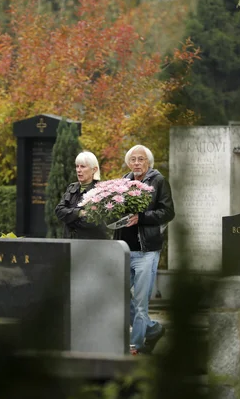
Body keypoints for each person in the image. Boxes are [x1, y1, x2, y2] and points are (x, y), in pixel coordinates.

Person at [113, 145, 175, 355]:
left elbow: (168, 212)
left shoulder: (158, 181)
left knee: (140, 304)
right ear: (128, 162)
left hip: (146, 250)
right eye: (133, 159)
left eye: (141, 159)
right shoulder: (124, 181)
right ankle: (153, 328)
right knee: (117, 296)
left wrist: (142, 218)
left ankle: (135, 345)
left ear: (148, 162)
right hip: (124, 250)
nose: (137, 163)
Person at [55, 151, 110, 239]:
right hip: (69, 243)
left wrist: (68, 218)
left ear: (94, 170)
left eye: (83, 166)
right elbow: (59, 211)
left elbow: (92, 221)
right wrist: (79, 213)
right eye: (77, 166)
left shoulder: (101, 190)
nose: (78, 170)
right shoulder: (72, 187)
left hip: (91, 245)